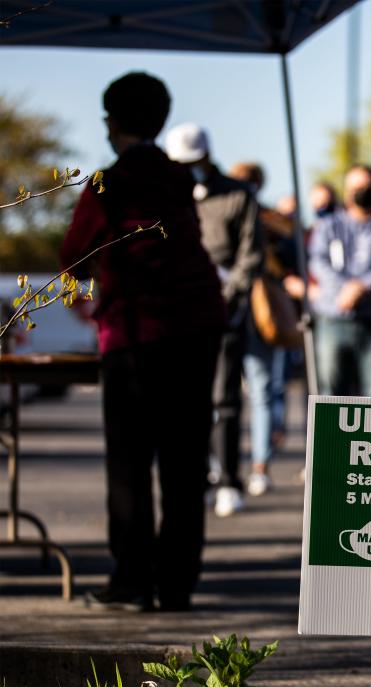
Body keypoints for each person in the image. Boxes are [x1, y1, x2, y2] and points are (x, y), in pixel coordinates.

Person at [61, 72, 225, 612]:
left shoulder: (109, 182)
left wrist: (83, 305)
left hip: (135, 330)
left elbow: (74, 255)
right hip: (197, 327)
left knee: (130, 461)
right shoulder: (179, 180)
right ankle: (177, 582)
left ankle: (131, 579)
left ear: (111, 122)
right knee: (185, 458)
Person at [165, 124, 262, 517]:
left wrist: (231, 294)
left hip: (223, 308)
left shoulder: (238, 194)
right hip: (178, 309)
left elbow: (250, 253)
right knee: (188, 398)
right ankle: (201, 474)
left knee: (224, 398)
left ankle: (228, 480)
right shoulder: (169, 195)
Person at [308, 165, 371, 397]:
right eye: (356, 187)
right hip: (333, 319)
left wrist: (362, 287)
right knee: (331, 392)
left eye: (367, 187)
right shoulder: (329, 227)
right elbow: (318, 262)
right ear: (346, 191)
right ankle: (332, 436)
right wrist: (345, 290)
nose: (362, 191)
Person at [228, 162, 297, 497]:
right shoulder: (217, 211)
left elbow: (293, 257)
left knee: (262, 389)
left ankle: (260, 466)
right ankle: (220, 469)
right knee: (222, 395)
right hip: (226, 309)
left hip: (261, 311)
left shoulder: (272, 221)